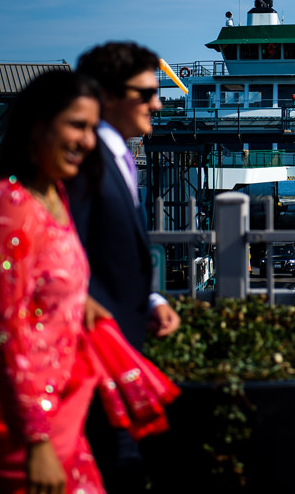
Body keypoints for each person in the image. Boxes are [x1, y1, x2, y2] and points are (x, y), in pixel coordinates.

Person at [0, 69, 109, 494]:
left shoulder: (52, 197)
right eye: (76, 125)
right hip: (12, 427)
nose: (87, 140)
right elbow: (3, 328)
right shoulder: (8, 207)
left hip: (54, 411)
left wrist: (75, 302)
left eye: (92, 128)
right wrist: (35, 441)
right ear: (36, 125)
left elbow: (37, 283)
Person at [68, 41, 182, 494]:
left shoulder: (117, 157)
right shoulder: (87, 162)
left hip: (120, 342)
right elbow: (70, 253)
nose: (157, 102)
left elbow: (113, 252)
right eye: (145, 92)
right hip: (96, 351)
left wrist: (150, 298)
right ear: (108, 96)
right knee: (117, 466)